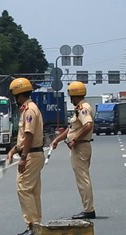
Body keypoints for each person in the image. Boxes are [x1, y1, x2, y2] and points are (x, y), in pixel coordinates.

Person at [50, 81, 96, 219]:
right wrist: (57, 140)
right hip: (80, 146)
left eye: (70, 95)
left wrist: (75, 139)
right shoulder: (80, 108)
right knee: (82, 178)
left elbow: (88, 125)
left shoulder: (83, 108)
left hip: (80, 147)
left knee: (83, 179)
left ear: (73, 95)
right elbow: (72, 129)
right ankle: (87, 208)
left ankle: (89, 210)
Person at [6, 78, 45, 235]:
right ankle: (36, 224)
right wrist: (13, 150)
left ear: (18, 94)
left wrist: (22, 157)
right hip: (35, 153)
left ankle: (32, 224)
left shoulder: (28, 110)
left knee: (23, 188)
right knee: (33, 190)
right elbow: (25, 138)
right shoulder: (31, 108)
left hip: (31, 155)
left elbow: (28, 135)